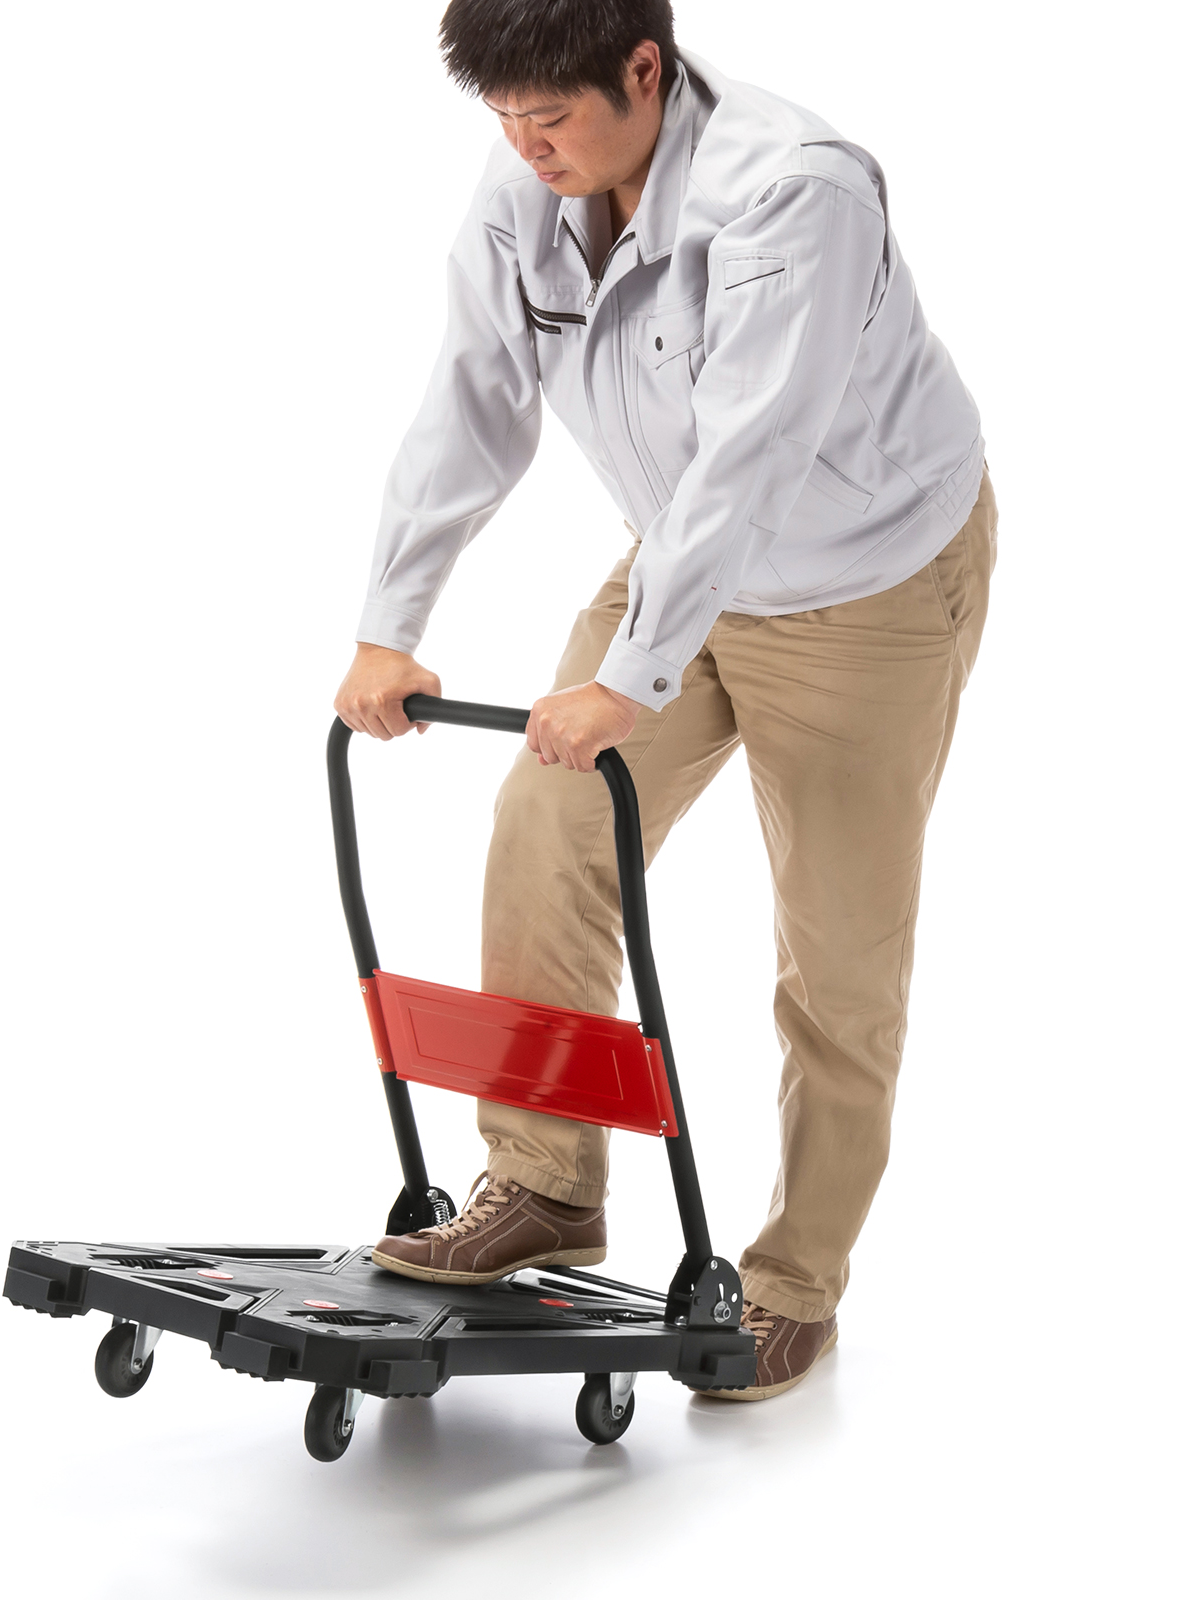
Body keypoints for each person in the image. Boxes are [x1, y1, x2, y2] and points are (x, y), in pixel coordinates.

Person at [334, 0, 995, 1402]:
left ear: (647, 68)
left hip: (865, 584)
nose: (526, 146)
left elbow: (754, 458)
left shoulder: (794, 189)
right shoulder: (529, 181)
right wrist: (391, 626)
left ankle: (796, 1285)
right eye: (503, 118)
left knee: (838, 950)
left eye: (551, 116)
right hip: (682, 558)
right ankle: (544, 1180)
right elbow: (472, 398)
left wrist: (628, 679)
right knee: (544, 827)